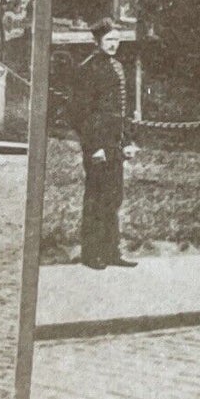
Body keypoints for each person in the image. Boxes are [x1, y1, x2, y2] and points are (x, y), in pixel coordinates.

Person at [68, 18, 137, 269]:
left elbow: (122, 109)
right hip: (97, 143)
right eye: (109, 40)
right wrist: (94, 146)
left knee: (114, 196)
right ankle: (92, 254)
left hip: (116, 142)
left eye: (117, 40)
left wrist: (128, 141)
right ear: (98, 42)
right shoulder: (89, 68)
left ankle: (111, 252)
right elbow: (79, 112)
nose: (114, 45)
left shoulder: (117, 66)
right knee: (96, 196)